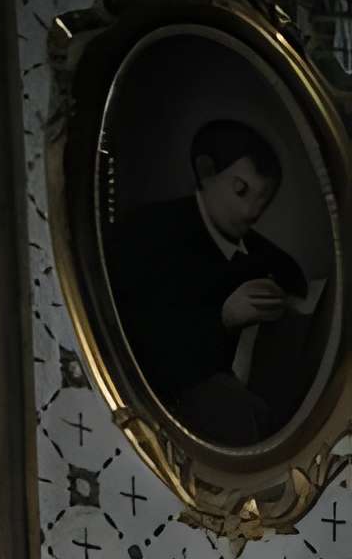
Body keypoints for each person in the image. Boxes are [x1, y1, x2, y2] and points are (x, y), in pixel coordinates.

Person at [106, 115, 309, 444]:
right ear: (206, 172)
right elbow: (143, 345)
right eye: (241, 191)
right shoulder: (145, 234)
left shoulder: (268, 256)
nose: (253, 211)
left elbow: (296, 285)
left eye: (263, 199)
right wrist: (225, 317)